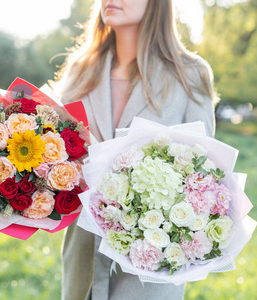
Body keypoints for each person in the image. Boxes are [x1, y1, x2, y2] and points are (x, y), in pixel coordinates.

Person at [53, 1, 217, 299]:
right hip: (83, 257)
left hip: (151, 267)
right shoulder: (80, 71)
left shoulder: (190, 75)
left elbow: (203, 181)